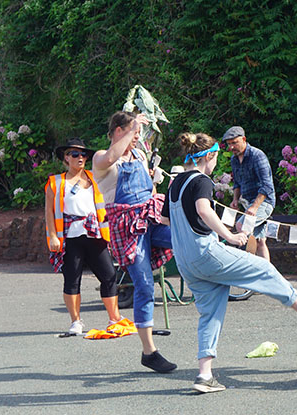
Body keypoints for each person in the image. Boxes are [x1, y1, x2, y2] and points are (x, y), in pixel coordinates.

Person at [161, 132, 297, 393]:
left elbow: (167, 220)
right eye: (217, 157)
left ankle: (204, 376)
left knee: (210, 314)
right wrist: (229, 235)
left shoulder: (175, 183)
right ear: (209, 156)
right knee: (262, 267)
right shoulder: (202, 180)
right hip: (205, 252)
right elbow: (204, 210)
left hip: (184, 262)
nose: (217, 163)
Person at [92, 111, 176, 373]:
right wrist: (133, 126)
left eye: (138, 134)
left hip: (149, 217)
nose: (137, 138)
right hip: (127, 228)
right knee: (144, 285)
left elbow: (150, 190)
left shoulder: (139, 155)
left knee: (184, 237)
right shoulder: (100, 158)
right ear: (118, 131)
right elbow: (110, 156)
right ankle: (149, 352)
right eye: (132, 133)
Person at [45, 138, 122, 335]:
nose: (80, 158)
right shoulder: (55, 183)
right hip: (70, 236)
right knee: (72, 279)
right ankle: (76, 321)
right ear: (66, 157)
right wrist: (53, 236)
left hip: (95, 233)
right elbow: (49, 213)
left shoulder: (95, 177)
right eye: (74, 154)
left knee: (109, 276)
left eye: (83, 154)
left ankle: (114, 318)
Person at [222, 126, 275, 261]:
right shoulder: (234, 160)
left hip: (264, 202)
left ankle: (249, 267)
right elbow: (237, 184)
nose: (232, 147)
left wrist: (255, 207)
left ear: (244, 139)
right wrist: (235, 200)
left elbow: (266, 185)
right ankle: (267, 275)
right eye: (229, 144)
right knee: (260, 241)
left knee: (242, 226)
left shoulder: (257, 156)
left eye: (234, 143)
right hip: (248, 203)